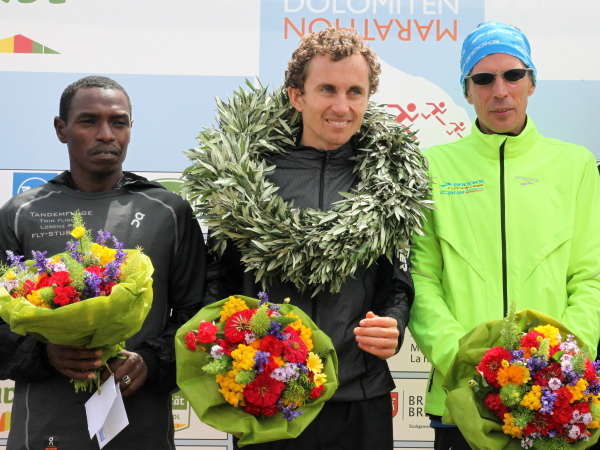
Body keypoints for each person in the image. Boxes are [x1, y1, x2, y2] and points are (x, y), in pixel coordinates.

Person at [201, 28, 424, 449]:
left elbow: (397, 282)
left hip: (360, 398)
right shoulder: (245, 176)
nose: (342, 106)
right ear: (296, 96)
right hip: (268, 399)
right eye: (327, 89)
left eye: (355, 92)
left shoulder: (391, 179)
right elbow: (219, 280)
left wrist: (393, 322)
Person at [408, 21, 600, 449]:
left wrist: (560, 363)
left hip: (555, 395)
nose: (499, 91)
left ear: (531, 83)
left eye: (513, 75)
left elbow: (590, 277)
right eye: (483, 79)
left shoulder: (576, 165)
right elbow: (421, 280)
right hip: (463, 395)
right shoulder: (430, 167)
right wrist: (465, 361)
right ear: (467, 90)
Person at [0, 76, 206, 449]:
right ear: (61, 129)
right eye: (89, 121)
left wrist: (151, 361)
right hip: (43, 429)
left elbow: (198, 315)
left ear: (130, 128)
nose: (106, 134)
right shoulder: (20, 213)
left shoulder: (169, 212)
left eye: (118, 122)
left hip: (141, 429)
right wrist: (45, 352)